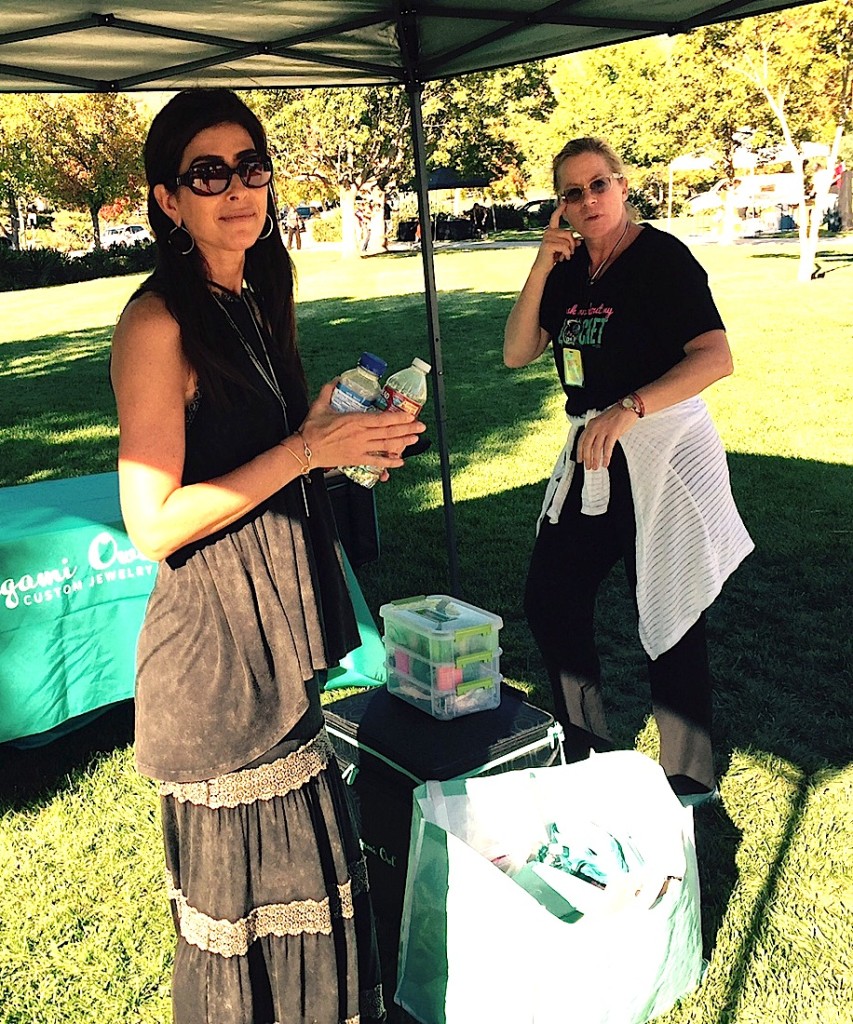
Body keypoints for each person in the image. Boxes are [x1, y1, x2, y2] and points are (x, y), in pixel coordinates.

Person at [110, 88, 424, 1023]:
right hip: (213, 673)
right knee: (247, 951)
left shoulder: (253, 292)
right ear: (168, 198)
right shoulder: (156, 323)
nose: (237, 188)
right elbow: (152, 522)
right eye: (208, 173)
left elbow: (271, 455)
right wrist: (303, 450)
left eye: (251, 166)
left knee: (314, 922)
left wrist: (339, 435)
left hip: (277, 646)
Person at [504, 137, 753, 808]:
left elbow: (714, 357)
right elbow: (517, 351)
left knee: (667, 603)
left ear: (621, 184)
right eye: (570, 192)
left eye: (597, 185)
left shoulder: (660, 258)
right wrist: (538, 267)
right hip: (591, 455)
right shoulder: (564, 269)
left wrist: (630, 407)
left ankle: (688, 775)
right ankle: (581, 744)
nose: (586, 201)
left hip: (660, 447)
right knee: (551, 597)